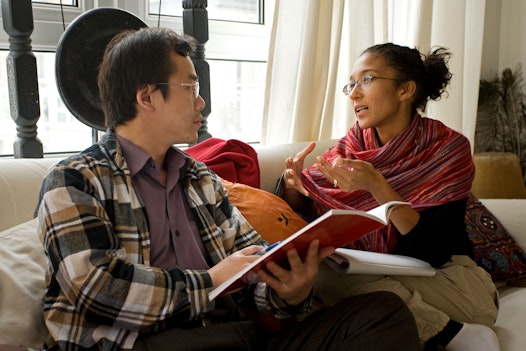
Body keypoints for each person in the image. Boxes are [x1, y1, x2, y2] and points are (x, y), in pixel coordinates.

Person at [35, 28, 420, 350]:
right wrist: (212, 280)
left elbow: (250, 272)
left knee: (384, 313)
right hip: (147, 344)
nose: (202, 101)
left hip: (236, 338)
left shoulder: (201, 180)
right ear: (147, 95)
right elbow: (100, 290)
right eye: (191, 86)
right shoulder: (75, 180)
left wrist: (288, 291)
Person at [281, 43, 500, 351]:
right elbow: (308, 216)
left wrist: (378, 186)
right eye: (351, 84)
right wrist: (293, 185)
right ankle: (451, 334)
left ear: (405, 90)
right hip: (376, 278)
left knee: (338, 281)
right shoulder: (347, 151)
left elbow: (435, 253)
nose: (354, 94)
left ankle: (441, 328)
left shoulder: (448, 149)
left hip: (452, 283)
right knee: (326, 271)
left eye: (367, 80)